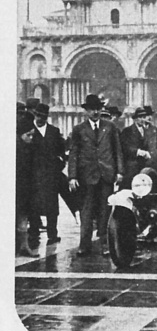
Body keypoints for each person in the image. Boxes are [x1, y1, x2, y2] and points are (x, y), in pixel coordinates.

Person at [68, 94, 124, 256]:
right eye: (92, 109)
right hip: (87, 176)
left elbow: (117, 150)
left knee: (105, 211)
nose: (95, 112)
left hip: (106, 175)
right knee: (86, 211)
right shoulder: (79, 129)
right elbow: (74, 154)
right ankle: (84, 245)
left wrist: (119, 171)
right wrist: (72, 176)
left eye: (98, 109)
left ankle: (105, 244)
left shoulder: (110, 127)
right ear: (86, 111)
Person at [27, 104, 66, 248]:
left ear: (46, 117)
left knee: (52, 206)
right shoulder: (29, 131)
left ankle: (52, 234)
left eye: (42, 116)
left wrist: (58, 165)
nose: (39, 118)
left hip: (51, 175)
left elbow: (61, 152)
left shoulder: (54, 131)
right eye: (37, 115)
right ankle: (33, 233)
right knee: (34, 205)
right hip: (34, 176)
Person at [16, 115, 38, 257]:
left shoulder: (31, 148)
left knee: (24, 217)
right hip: (17, 187)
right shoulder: (15, 148)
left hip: (26, 188)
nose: (31, 138)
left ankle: (24, 245)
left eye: (32, 135)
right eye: (28, 135)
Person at [121, 107, 151, 189]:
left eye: (144, 117)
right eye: (140, 117)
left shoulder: (147, 131)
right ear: (135, 119)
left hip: (144, 167)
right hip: (132, 166)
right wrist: (138, 152)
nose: (142, 119)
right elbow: (125, 148)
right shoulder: (127, 131)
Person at [143, 105, 157, 171]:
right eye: (147, 115)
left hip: (155, 164)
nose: (149, 117)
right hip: (143, 164)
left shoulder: (155, 130)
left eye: (150, 115)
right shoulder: (139, 130)